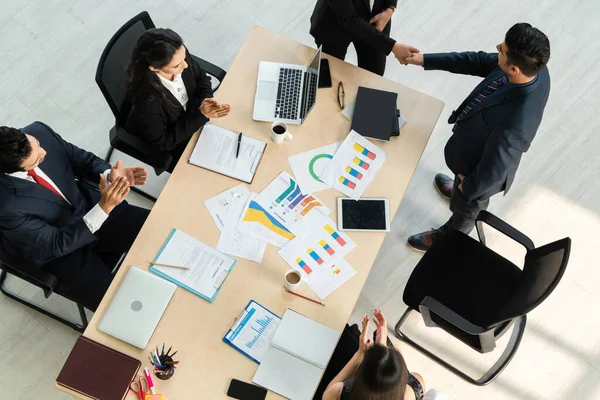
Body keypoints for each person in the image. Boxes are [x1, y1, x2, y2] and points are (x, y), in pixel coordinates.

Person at [404, 22, 551, 252]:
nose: (497, 48)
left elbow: (494, 170)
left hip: (479, 175)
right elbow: (477, 61)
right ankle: (458, 190)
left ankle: (446, 239)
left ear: (514, 69)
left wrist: (467, 188)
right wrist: (424, 59)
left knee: (465, 211)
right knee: (462, 194)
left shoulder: (515, 125)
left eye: (501, 49)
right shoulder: (532, 68)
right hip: (472, 147)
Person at [0, 122, 150, 311]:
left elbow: (82, 161)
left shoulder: (39, 132)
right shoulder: (5, 206)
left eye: (37, 144)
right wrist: (104, 207)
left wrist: (108, 176)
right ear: (10, 171)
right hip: (60, 253)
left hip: (88, 208)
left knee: (160, 231)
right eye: (36, 161)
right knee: (120, 306)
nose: (43, 152)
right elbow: (57, 243)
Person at [125, 28, 230, 172]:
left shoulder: (179, 57)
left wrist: (207, 100)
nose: (185, 65)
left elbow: (202, 79)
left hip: (199, 118)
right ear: (154, 68)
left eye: (185, 57)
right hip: (181, 138)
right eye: (176, 66)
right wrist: (200, 116)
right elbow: (163, 143)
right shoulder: (147, 100)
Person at [323, 310, 425, 400]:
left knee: (345, 339)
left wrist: (359, 354)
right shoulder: (413, 390)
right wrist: (382, 347)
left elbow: (327, 394)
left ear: (359, 374)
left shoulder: (337, 391)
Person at [310, 0, 419, 75]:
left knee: (373, 76)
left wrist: (390, 8)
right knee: (330, 74)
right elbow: (349, 19)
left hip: (376, 20)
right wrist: (393, 47)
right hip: (334, 26)